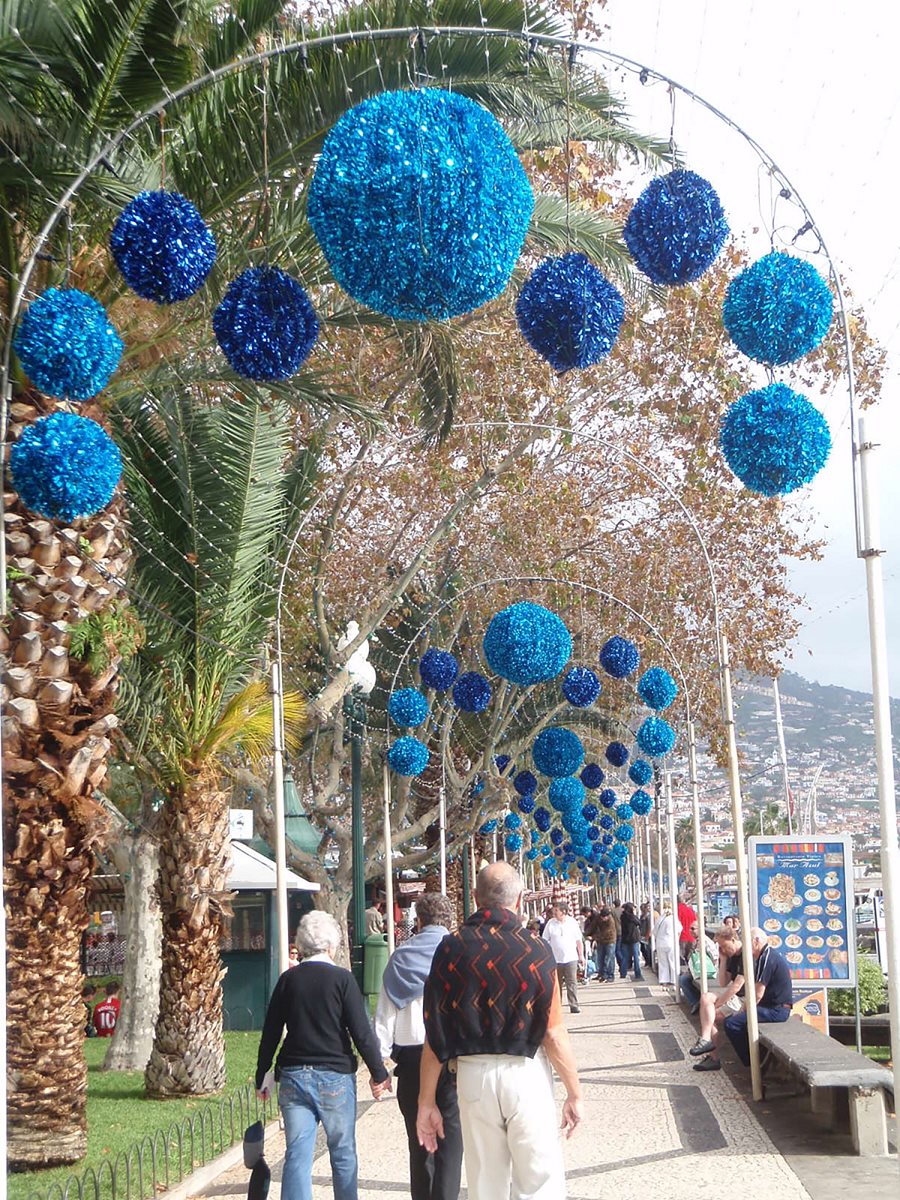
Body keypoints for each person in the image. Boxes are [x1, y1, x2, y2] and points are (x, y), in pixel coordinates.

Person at [417, 862, 582, 1200]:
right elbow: (553, 1033)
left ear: (476, 898)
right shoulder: (537, 950)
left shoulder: (449, 949)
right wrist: (574, 1092)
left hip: (473, 1076)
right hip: (526, 1073)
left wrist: (426, 1101)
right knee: (538, 1183)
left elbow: (435, 1033)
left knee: (485, 1185)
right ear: (519, 899)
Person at [255, 910, 391, 1200]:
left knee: (297, 1152)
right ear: (331, 946)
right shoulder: (343, 980)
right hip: (335, 1075)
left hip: (293, 1075)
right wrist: (378, 1073)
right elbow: (361, 1032)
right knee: (342, 1152)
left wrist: (262, 1074)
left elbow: (271, 1031)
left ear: (302, 945)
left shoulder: (288, 980)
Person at [374, 893, 462, 1200]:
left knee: (419, 1142)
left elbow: (385, 1016)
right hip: (453, 1059)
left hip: (411, 1059)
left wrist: (379, 1066)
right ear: (449, 920)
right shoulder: (460, 955)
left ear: (419, 921)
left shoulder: (401, 958)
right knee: (451, 1143)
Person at [722, 928, 793, 1067]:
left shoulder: (766, 958)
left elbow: (758, 993)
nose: (745, 947)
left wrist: (743, 1009)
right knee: (736, 1021)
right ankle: (755, 1059)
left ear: (756, 941)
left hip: (776, 1010)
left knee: (732, 1023)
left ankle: (753, 1063)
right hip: (772, 1006)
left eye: (747, 943)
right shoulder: (766, 955)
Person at [688, 930, 746, 1071]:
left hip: (745, 999)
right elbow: (722, 982)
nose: (723, 950)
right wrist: (723, 959)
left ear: (733, 940)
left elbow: (736, 986)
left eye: (724, 946)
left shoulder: (746, 956)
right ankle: (706, 1039)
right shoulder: (731, 956)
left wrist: (717, 1006)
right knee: (706, 998)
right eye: (720, 947)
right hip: (735, 997)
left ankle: (713, 1056)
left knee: (709, 1016)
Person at [542, 901, 586, 1013]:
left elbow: (578, 940)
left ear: (564, 912)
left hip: (571, 957)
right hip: (555, 959)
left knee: (572, 982)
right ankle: (557, 1006)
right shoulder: (551, 923)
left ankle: (574, 1005)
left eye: (556, 910)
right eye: (554, 910)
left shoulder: (572, 922)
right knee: (557, 984)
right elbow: (544, 940)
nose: (554, 912)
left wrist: (581, 955)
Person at [678, 925, 718, 1013]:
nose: (691, 930)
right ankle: (696, 1000)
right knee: (682, 977)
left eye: (693, 928)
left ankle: (695, 1002)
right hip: (698, 969)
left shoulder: (705, 941)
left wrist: (709, 967)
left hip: (706, 970)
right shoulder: (696, 940)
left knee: (683, 979)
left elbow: (715, 956)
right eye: (690, 928)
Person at [653, 907, 681, 986]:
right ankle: (674, 980)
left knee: (662, 963)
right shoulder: (673, 919)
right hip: (671, 942)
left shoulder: (659, 919)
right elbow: (679, 930)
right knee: (673, 962)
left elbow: (654, 932)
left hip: (660, 943)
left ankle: (664, 980)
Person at [619, 902, 644, 981]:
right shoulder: (632, 917)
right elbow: (639, 922)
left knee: (625, 957)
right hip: (634, 939)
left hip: (625, 939)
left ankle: (623, 973)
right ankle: (637, 973)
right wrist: (634, 914)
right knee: (636, 956)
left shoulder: (622, 917)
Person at [677, 896, 697, 964]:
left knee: (681, 959)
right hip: (691, 936)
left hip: (682, 936)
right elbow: (695, 922)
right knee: (691, 958)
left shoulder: (677, 910)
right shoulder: (690, 910)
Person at [610, 897, 625, 978]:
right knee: (622, 950)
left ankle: (622, 963)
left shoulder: (612, 911)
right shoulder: (623, 911)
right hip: (624, 932)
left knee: (617, 950)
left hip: (616, 932)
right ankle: (623, 964)